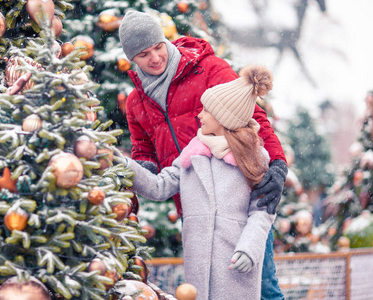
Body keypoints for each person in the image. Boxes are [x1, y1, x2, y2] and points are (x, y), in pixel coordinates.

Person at [118, 11, 287, 299]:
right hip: (194, 205)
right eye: (144, 54)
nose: (155, 58)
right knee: (206, 290)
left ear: (165, 40)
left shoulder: (207, 69)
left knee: (261, 287)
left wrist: (277, 163)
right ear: (132, 59)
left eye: (158, 47)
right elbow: (143, 147)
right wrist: (141, 170)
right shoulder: (136, 102)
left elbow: (253, 116)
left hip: (237, 201)